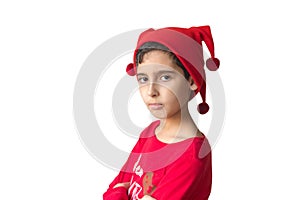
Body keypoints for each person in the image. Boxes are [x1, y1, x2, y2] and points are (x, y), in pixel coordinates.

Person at [103, 25, 220, 200]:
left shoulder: (192, 155)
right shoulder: (150, 132)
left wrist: (120, 192)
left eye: (165, 77)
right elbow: (111, 188)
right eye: (143, 79)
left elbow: (116, 189)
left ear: (192, 80)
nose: (151, 91)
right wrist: (117, 190)